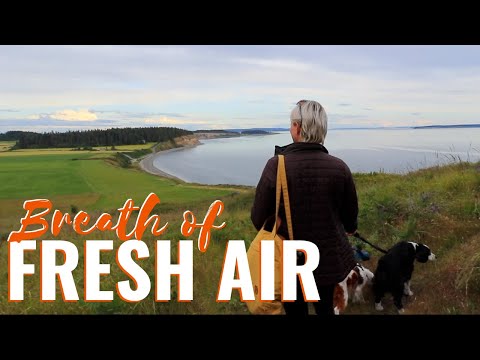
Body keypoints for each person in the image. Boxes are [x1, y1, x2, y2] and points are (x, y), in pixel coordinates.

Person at [251, 100, 359, 315]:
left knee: (295, 312)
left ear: (298, 127)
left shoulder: (277, 165)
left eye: (292, 124)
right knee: (326, 309)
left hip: (290, 260)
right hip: (328, 261)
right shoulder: (339, 167)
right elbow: (350, 219)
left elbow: (258, 218)